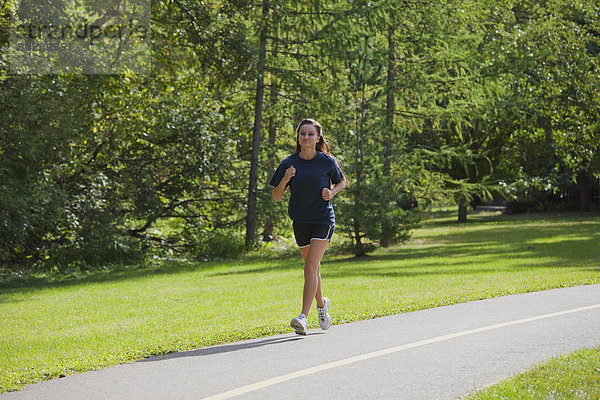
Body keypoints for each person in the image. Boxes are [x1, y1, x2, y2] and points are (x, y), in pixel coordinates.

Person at [269, 118, 347, 336]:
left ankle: (303, 317)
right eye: (302, 133)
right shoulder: (288, 164)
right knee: (313, 268)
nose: (306, 137)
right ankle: (322, 306)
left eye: (311, 134)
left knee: (310, 267)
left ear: (318, 137)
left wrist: (331, 192)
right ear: (298, 137)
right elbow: (276, 196)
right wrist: (285, 179)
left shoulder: (327, 161)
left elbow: (342, 181)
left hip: (323, 219)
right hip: (300, 221)